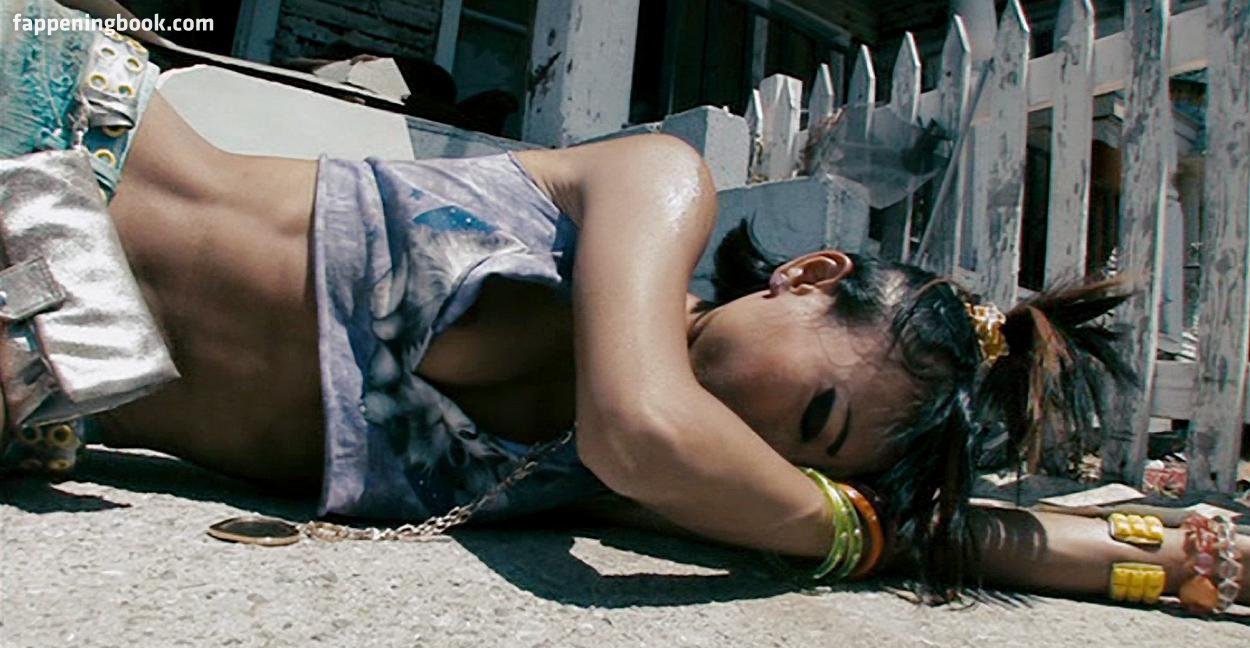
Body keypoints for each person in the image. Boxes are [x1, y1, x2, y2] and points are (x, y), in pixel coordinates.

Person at [2, 0, 1246, 614]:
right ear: (808, 276)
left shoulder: (593, 477)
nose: (754, 454)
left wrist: (1113, 556)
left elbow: (866, 519)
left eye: (806, 465)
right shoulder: (653, 189)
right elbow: (647, 427)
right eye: (810, 420)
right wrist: (847, 527)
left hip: (36, 378)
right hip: (51, 149)